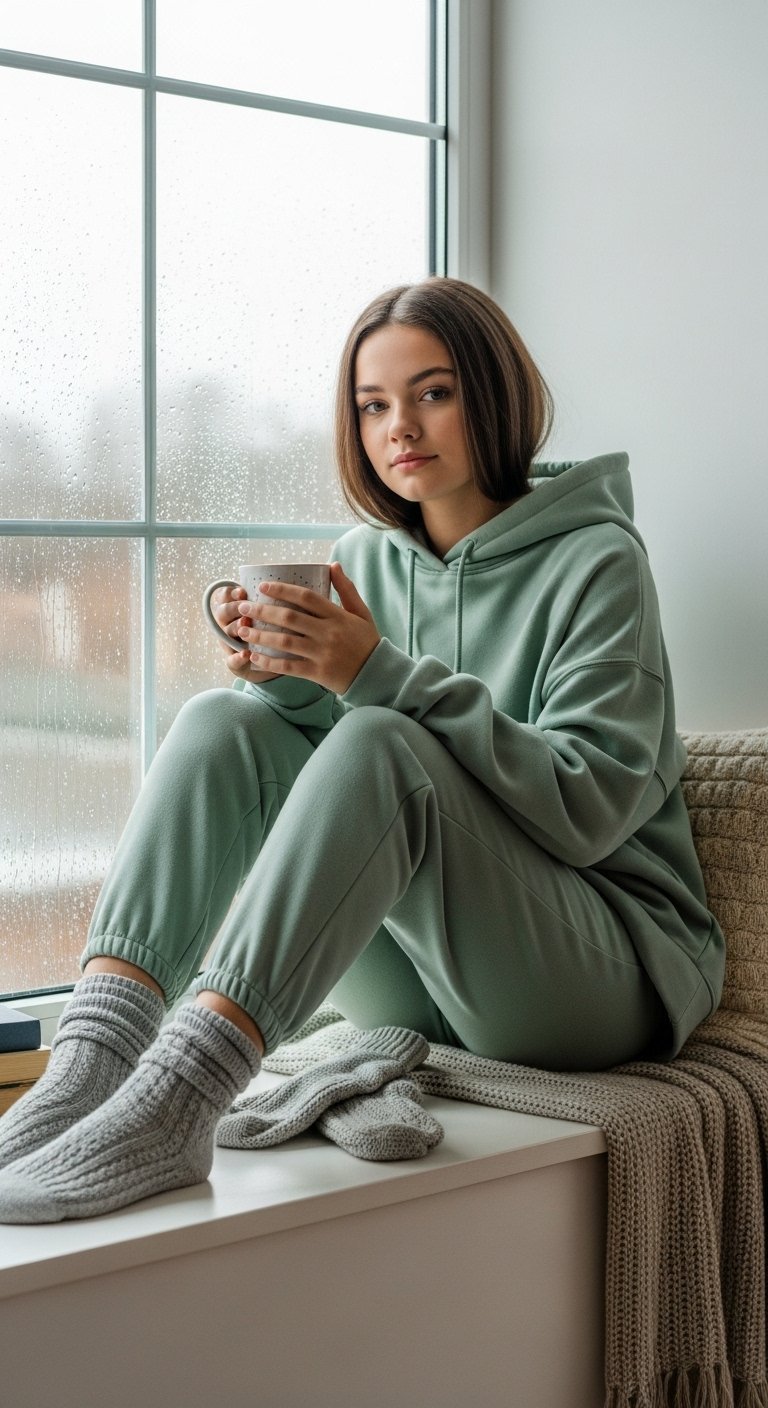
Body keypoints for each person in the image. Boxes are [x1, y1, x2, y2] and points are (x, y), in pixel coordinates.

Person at [0, 276, 725, 1223]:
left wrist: (377, 673)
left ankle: (181, 1099)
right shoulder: (368, 559)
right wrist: (289, 678)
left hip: (593, 977)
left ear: (495, 395)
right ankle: (88, 1072)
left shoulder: (598, 561)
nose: (400, 428)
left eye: (434, 393)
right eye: (373, 405)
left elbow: (588, 813)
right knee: (223, 722)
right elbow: (333, 767)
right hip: (415, 985)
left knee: (385, 738)